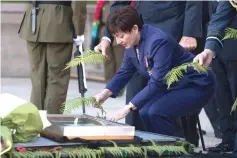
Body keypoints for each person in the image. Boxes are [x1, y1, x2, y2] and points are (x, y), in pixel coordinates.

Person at [94, 6, 216, 136]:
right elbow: (124, 72)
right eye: (115, 37)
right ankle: (159, 146)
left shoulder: (158, 41)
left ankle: (174, 149)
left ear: (135, 29)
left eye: (121, 36)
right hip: (173, 85)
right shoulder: (132, 42)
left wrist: (126, 108)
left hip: (195, 84)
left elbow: (157, 81)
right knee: (144, 111)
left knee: (156, 112)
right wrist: (104, 94)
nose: (118, 42)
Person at [18, 1, 87, 114]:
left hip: (32, 19)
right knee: (57, 77)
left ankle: (35, 123)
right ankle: (51, 125)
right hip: (58, 22)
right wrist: (79, 31)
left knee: (37, 77)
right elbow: (78, 3)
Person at [194, 1, 237, 152]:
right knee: (222, 98)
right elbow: (213, 16)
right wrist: (208, 49)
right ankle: (228, 139)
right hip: (214, 50)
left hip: (233, 48)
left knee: (234, 98)